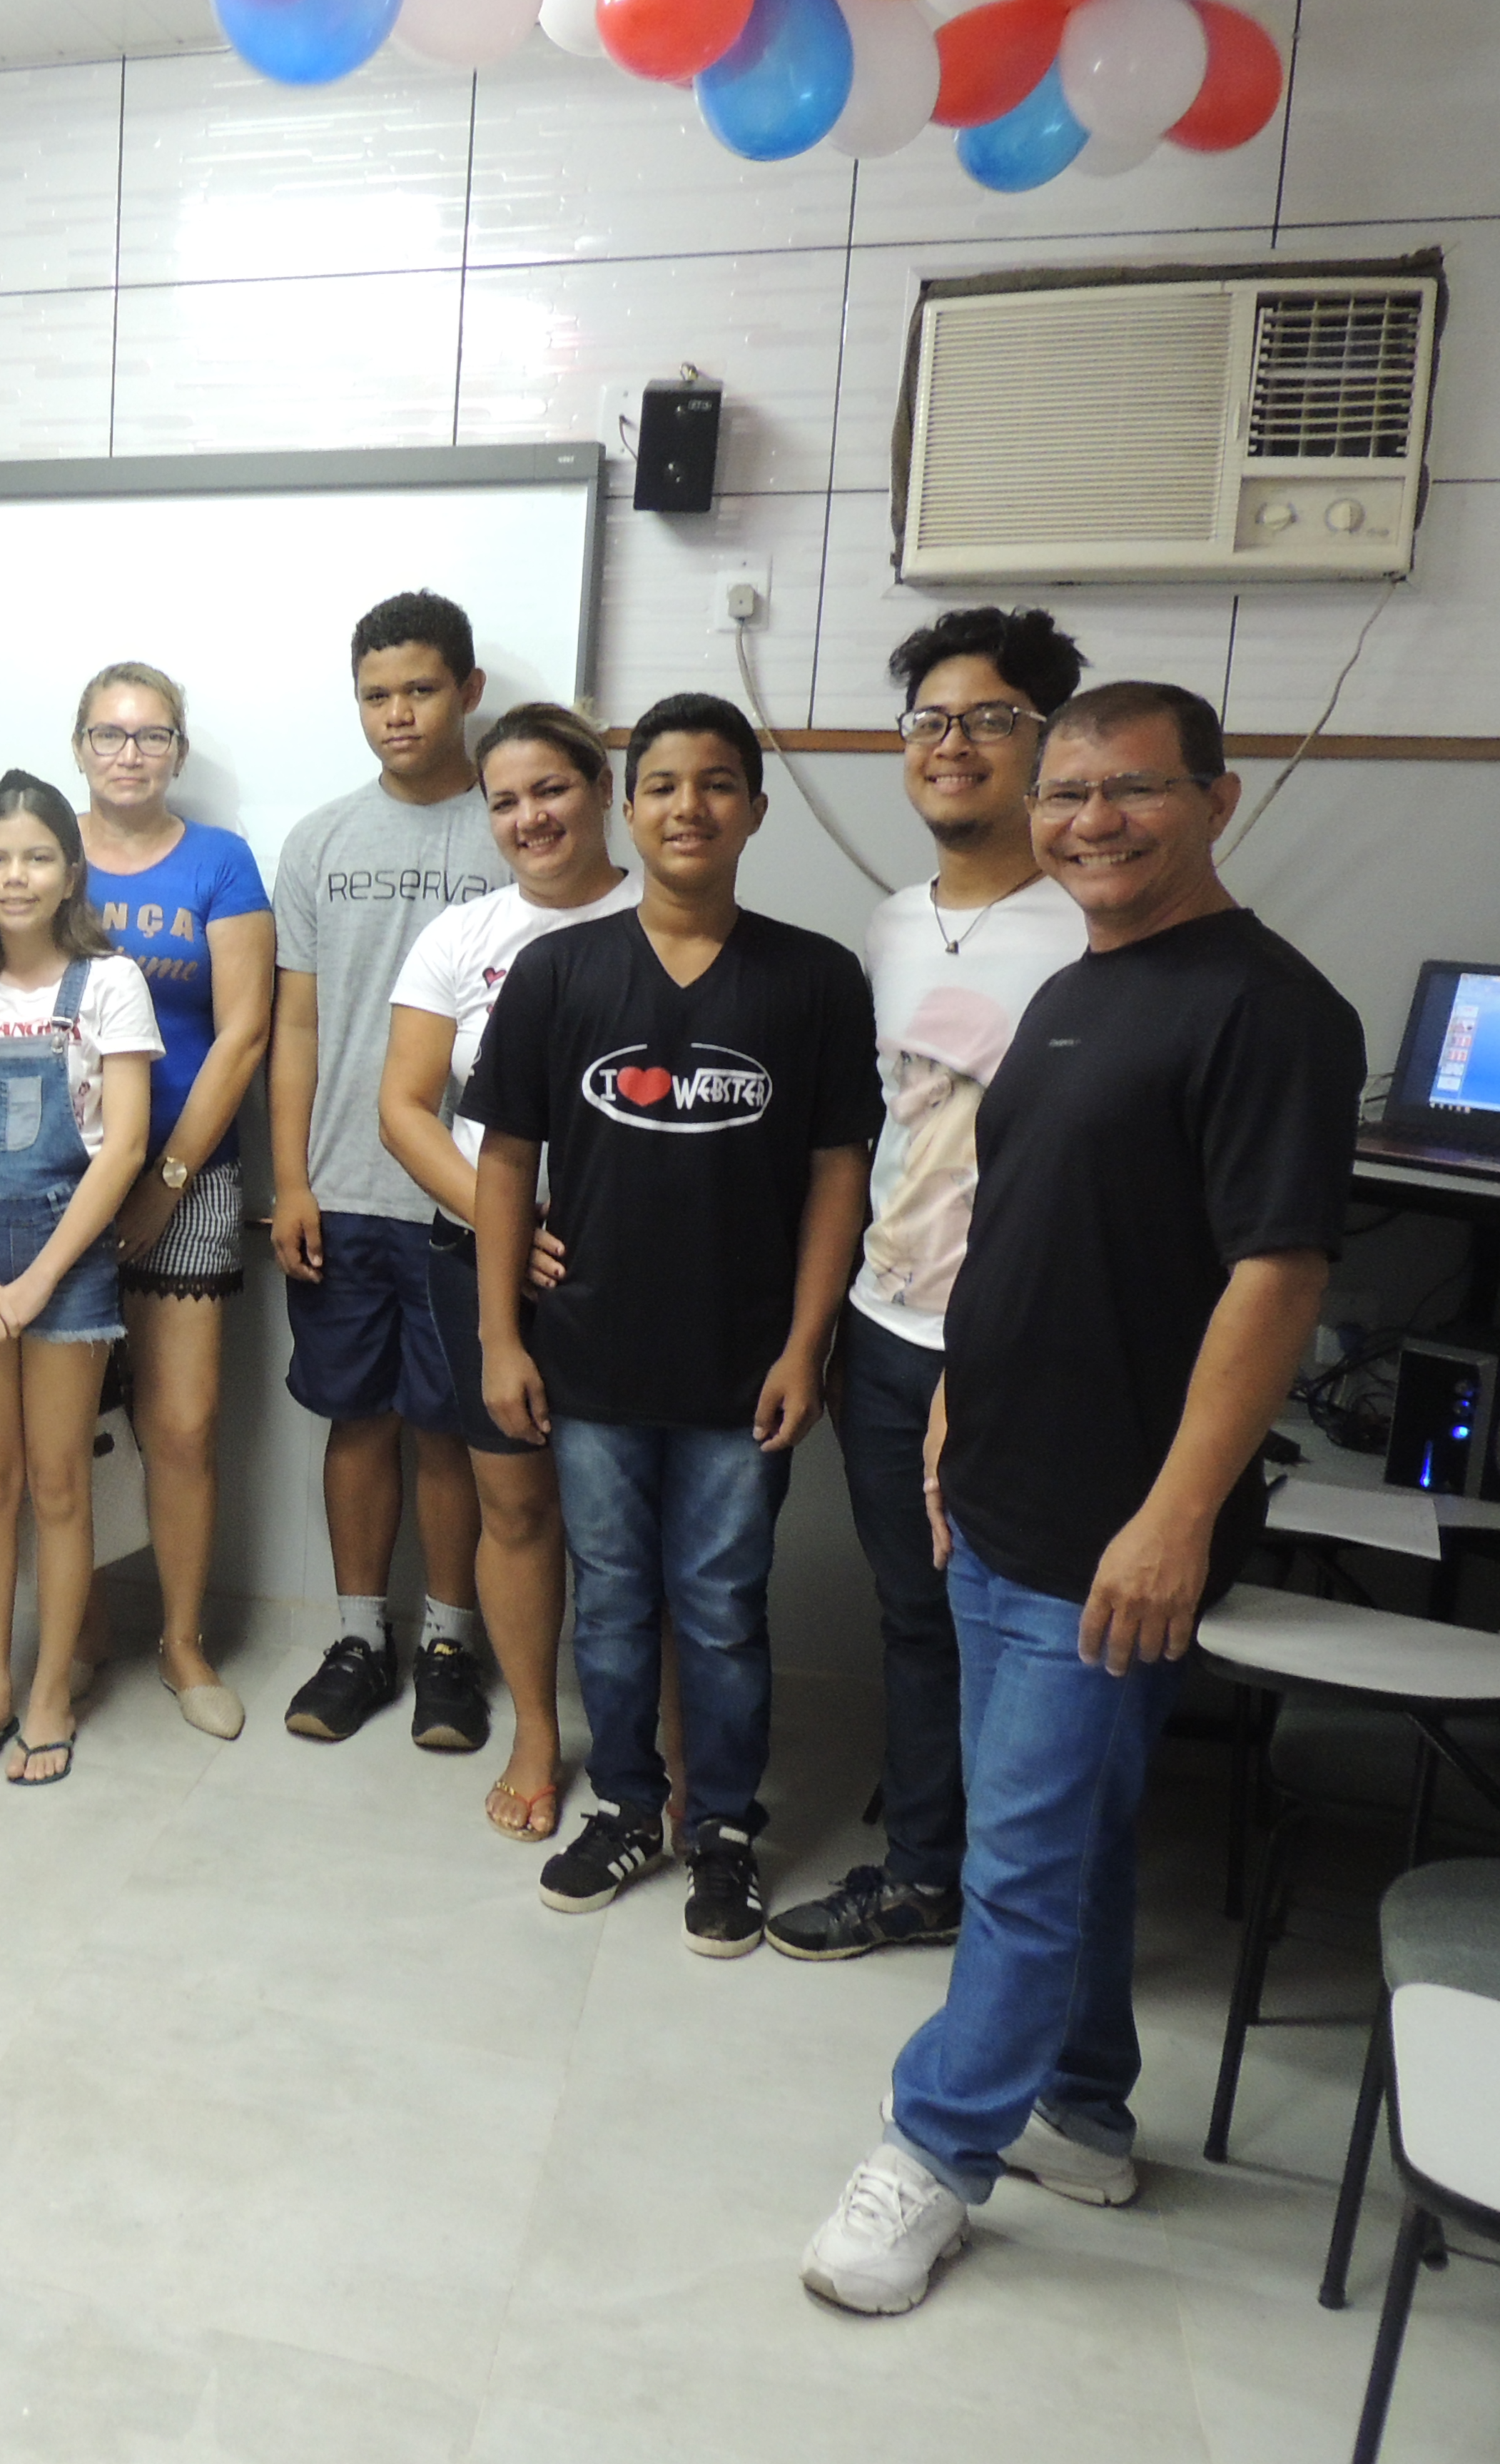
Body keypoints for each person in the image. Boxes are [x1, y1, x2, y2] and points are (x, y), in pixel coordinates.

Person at [801, 681, 1363, 2314]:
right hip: (998, 1486)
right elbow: (1029, 1223)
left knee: (1025, 1857)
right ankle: (1086, 2108)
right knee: (1063, 1830)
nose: (1091, 821)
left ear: (1217, 799)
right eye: (1066, 794)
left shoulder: (1270, 1010)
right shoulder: (1074, 989)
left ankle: (935, 2146)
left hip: (1118, 1519)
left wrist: (1178, 1516)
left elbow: (1277, 1277)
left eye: (1134, 789)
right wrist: (955, 1402)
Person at [463, 692, 878, 1957]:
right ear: (625, 806)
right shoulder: (558, 972)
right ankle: (628, 1809)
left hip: (742, 1371)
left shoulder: (815, 978)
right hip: (589, 1361)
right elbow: (504, 1160)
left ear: (753, 808)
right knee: (608, 1600)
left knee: (719, 1604)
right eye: (661, 784)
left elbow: (838, 1170)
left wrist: (805, 1346)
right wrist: (498, 1336)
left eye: (715, 783)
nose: (687, 806)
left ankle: (727, 1830)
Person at [767, 609, 1090, 1963]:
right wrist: (832, 1324)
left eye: (991, 719)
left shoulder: (1093, 928)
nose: (953, 744)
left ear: (1047, 744)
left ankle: (1004, 1890)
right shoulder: (891, 926)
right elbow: (872, 1142)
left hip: (1022, 1349)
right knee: (912, 1613)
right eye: (930, 720)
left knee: (1014, 1629)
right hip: (885, 1329)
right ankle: (922, 1869)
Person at [379, 704, 641, 1837]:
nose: (530, 817)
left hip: (634, 1261)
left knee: (637, 1518)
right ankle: (538, 1730)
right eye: (505, 800)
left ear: (602, 790)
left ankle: (653, 1749)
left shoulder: (665, 914)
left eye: (552, 789)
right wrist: (501, 1225)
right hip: (482, 1254)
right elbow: (404, 1107)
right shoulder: (462, 935)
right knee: (516, 1502)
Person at [270, 591, 501, 1749]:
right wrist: (290, 1180)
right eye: (375, 695)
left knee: (450, 1427)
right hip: (343, 1189)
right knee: (355, 1419)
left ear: (467, 690)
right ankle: (360, 1638)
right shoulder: (319, 841)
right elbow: (297, 1026)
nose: (397, 714)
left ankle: (451, 1646)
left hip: (471, 1198)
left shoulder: (515, 829)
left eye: (419, 689)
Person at [0, 772, 162, 1787]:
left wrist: (40, 1279)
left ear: (70, 871)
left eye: (38, 857)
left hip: (70, 1259)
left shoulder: (111, 982)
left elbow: (125, 1146)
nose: (16, 877)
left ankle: (52, 1692)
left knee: (59, 1484)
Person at [71, 661, 275, 1740]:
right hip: (57, 1180)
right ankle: (81, 1625)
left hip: (187, 1175)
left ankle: (183, 1641)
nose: (130, 753)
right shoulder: (39, 850)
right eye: (110, 734)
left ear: (178, 752)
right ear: (80, 747)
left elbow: (243, 1034)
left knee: (181, 1426)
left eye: (152, 736)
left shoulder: (221, 861)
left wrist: (167, 1182)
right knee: (66, 1425)